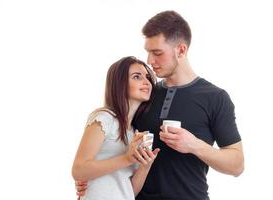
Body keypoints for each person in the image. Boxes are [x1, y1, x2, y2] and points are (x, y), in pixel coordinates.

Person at [76, 10, 244, 200]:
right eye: (148, 52)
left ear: (180, 50)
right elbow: (113, 142)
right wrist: (93, 180)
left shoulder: (215, 98)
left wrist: (195, 145)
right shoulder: (144, 94)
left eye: (157, 53)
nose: (150, 61)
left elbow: (237, 165)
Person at [72, 56, 160, 200]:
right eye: (137, 77)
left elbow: (129, 190)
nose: (147, 82)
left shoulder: (134, 132)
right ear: (120, 83)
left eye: (148, 77)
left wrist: (145, 166)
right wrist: (127, 159)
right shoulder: (104, 118)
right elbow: (78, 170)